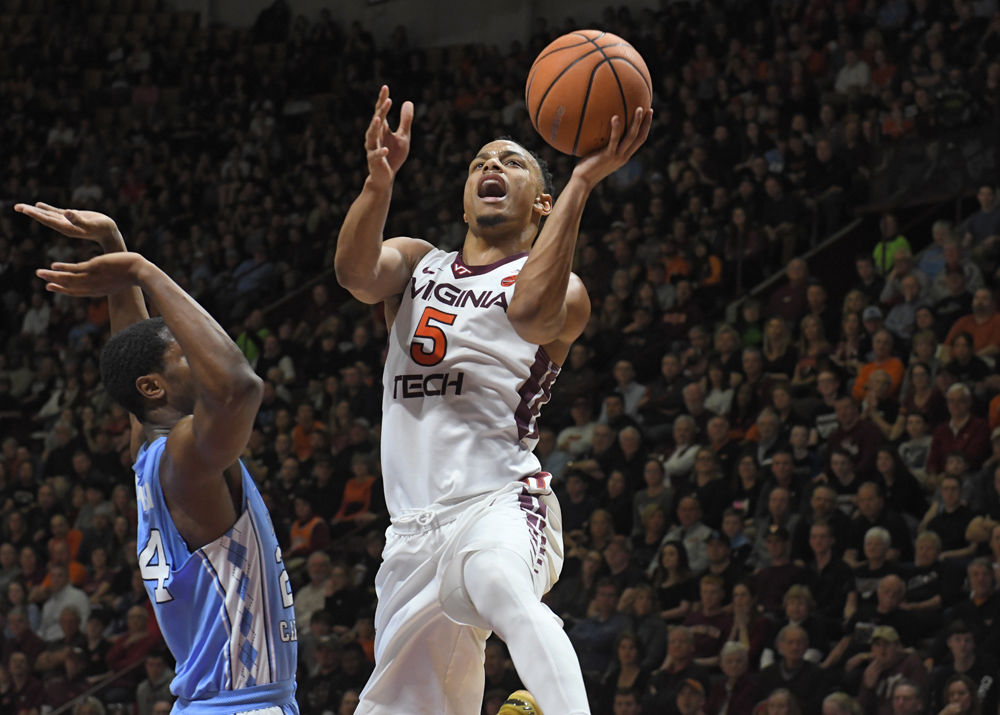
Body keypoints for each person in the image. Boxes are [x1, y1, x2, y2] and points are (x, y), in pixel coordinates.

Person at [333, 86, 650, 715]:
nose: (490, 168)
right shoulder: (422, 263)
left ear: (541, 201)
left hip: (500, 500)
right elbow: (355, 273)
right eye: (480, 162)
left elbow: (532, 315)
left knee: (497, 581)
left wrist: (583, 182)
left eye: (510, 161)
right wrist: (379, 180)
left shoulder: (567, 291)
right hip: (412, 534)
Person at [20, 203, 298, 713]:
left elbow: (136, 348)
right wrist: (142, 268)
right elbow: (240, 386)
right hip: (241, 704)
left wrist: (112, 244)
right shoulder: (187, 455)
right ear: (154, 387)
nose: (203, 359)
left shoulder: (149, 447)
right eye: (187, 356)